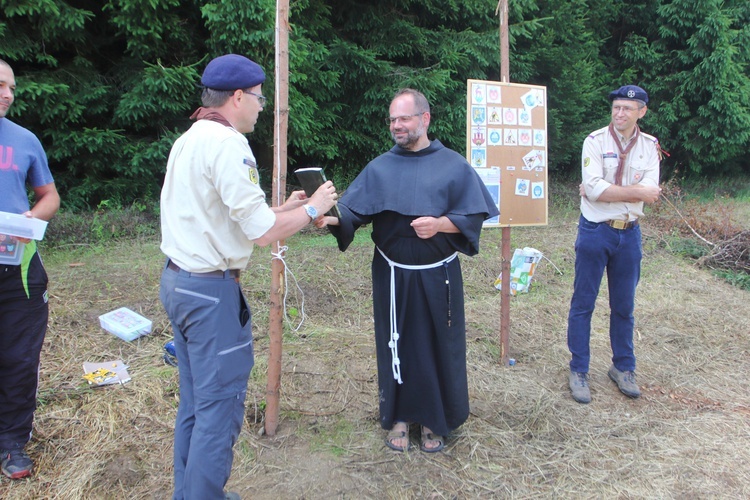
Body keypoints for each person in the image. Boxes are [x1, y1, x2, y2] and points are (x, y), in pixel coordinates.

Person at [159, 54, 337, 499]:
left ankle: (191, 492)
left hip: (179, 283)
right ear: (237, 97)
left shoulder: (192, 138)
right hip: (210, 296)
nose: (262, 106)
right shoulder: (229, 145)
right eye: (258, 98)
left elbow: (233, 217)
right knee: (219, 410)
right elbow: (262, 235)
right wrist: (314, 207)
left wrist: (288, 208)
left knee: (196, 403)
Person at [318, 88, 499, 453]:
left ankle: (435, 420)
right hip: (392, 274)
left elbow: (473, 216)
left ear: (425, 119)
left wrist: (441, 224)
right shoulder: (381, 167)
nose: (397, 126)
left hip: (437, 275)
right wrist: (331, 220)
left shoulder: (453, 165)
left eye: (404, 118)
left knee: (437, 345)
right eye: (392, 120)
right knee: (394, 341)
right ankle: (398, 416)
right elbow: (355, 212)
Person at [567, 84, 662, 404]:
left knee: (624, 307)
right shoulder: (594, 141)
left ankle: (623, 368)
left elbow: (652, 190)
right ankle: (579, 369)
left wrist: (608, 190)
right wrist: (635, 191)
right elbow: (594, 191)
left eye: (627, 109)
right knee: (583, 303)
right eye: (616, 108)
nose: (620, 114)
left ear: (641, 112)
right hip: (596, 230)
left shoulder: (650, 146)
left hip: (630, 234)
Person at [0, 59, 61, 479]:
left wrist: (28, 220)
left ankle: (11, 443)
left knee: (19, 359)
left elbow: (49, 196)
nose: (7, 93)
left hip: (18, 271)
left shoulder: (24, 139)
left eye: (11, 87)